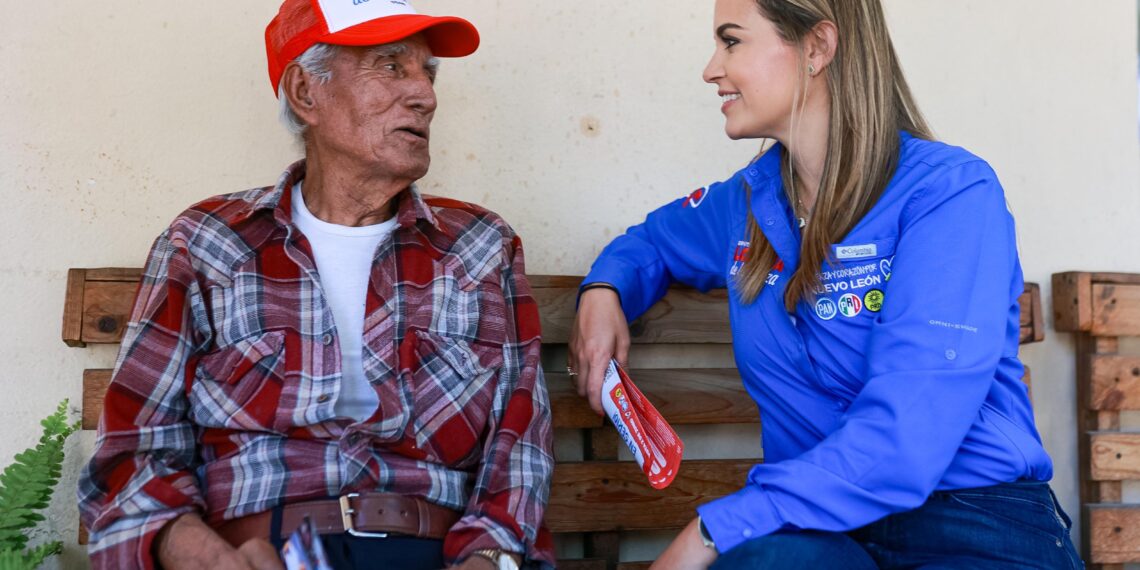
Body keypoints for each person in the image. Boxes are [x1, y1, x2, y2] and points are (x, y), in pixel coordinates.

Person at [568, 0, 1082, 568]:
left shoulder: (950, 194)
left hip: (971, 522)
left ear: (817, 47)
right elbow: (649, 244)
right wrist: (603, 292)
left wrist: (710, 532)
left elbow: (906, 436)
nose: (711, 69)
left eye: (731, 41)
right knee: (764, 563)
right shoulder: (744, 203)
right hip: (818, 533)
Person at [77, 1, 554, 569]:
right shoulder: (207, 245)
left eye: (428, 72)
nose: (425, 94)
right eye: (392, 66)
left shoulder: (478, 248)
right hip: (257, 551)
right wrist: (193, 550)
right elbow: (132, 451)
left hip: (430, 553)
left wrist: (489, 561)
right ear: (307, 93)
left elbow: (518, 450)